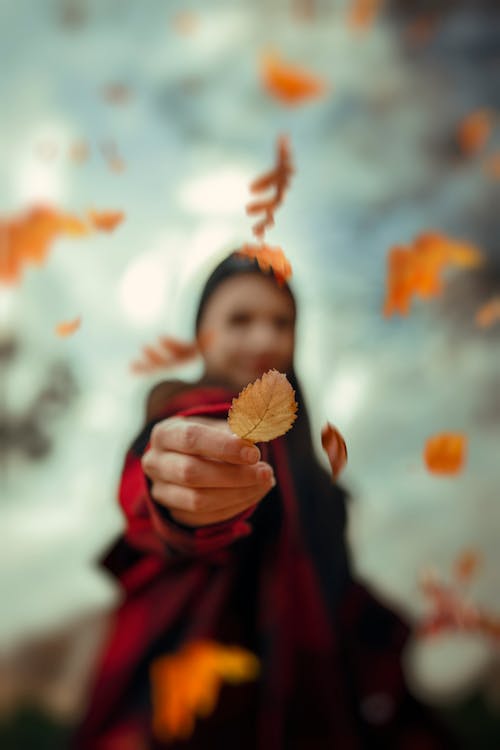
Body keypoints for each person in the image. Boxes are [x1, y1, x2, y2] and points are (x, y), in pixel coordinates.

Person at [74, 253, 457, 749]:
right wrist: (182, 504)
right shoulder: (184, 420)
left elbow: (330, 584)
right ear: (201, 334)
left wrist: (399, 626)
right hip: (185, 711)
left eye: (282, 322)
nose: (264, 340)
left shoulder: (311, 471)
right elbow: (148, 493)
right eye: (240, 320)